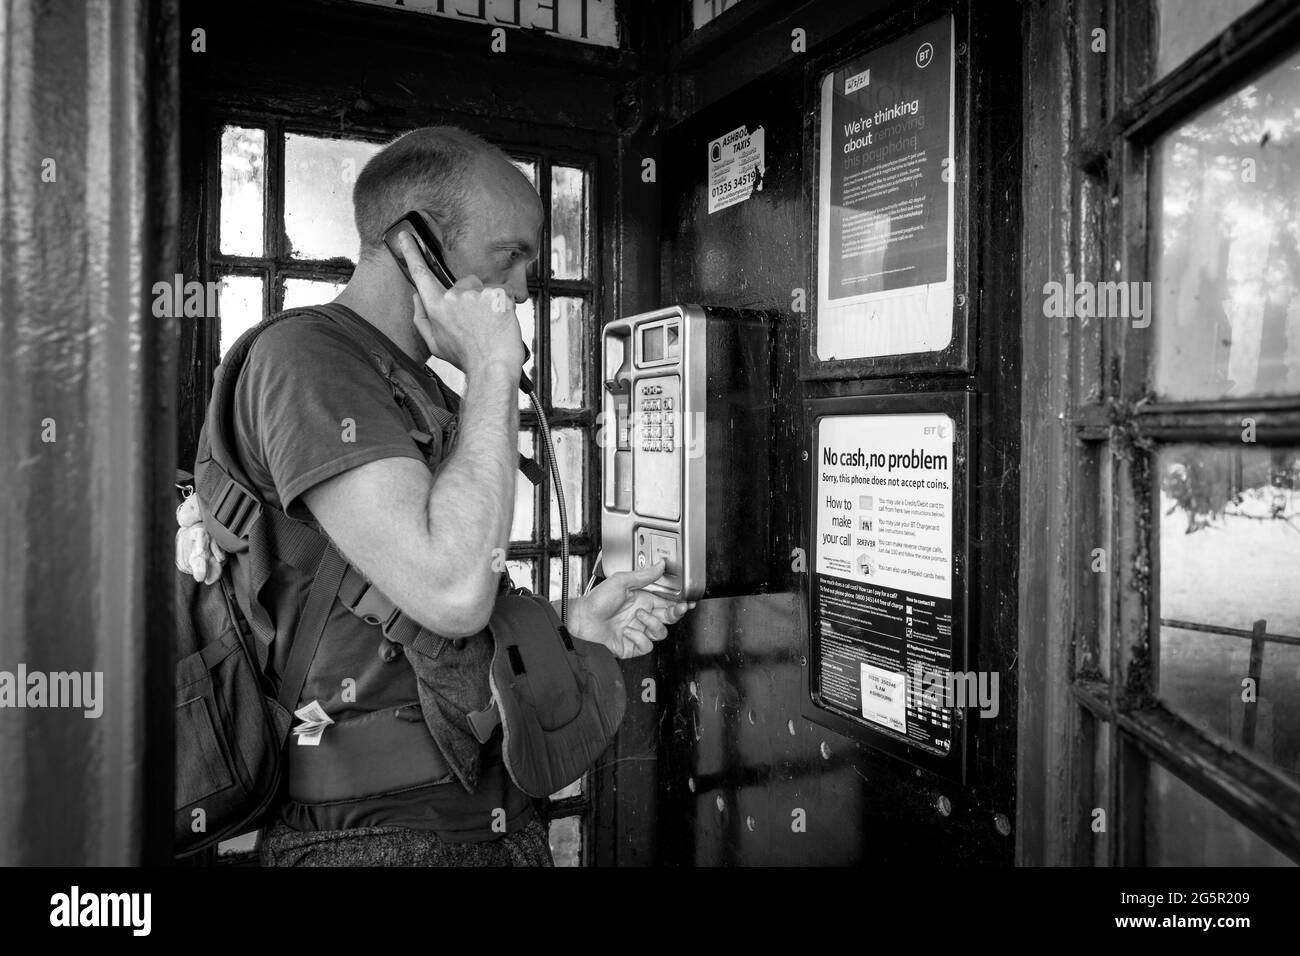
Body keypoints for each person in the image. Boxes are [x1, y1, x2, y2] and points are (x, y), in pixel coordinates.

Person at [176, 126, 693, 865]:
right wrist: (490, 369)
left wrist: (569, 623)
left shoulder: (404, 383)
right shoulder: (306, 360)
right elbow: (452, 589)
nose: (520, 291)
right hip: (374, 840)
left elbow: (410, 620)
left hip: (476, 818)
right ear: (413, 243)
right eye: (508, 256)